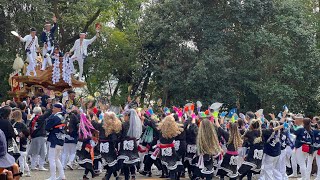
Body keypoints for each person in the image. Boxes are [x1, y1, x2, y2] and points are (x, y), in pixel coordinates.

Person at [156, 115, 183, 180]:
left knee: (167, 165)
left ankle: (169, 175)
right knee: (174, 166)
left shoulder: (160, 129)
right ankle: (173, 177)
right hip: (171, 149)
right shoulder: (175, 130)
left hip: (163, 150)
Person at [118, 109, 142, 180]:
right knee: (132, 160)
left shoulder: (124, 124)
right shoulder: (136, 124)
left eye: (125, 115)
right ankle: (133, 175)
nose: (124, 117)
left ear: (128, 116)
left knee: (125, 161)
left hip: (125, 144)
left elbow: (120, 134)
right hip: (133, 144)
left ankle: (126, 177)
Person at [45, 103, 66, 180]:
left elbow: (47, 127)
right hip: (60, 138)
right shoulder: (63, 117)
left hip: (54, 139)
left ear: (59, 109)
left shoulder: (55, 117)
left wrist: (50, 128)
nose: (52, 109)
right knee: (56, 158)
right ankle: (62, 175)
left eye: (54, 108)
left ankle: (53, 176)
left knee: (51, 159)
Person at [76, 113, 99, 180]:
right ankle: (92, 173)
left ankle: (86, 175)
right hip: (85, 145)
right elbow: (85, 137)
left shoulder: (80, 125)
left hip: (83, 145)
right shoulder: (84, 126)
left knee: (88, 160)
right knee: (87, 159)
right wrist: (91, 137)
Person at [101, 112, 122, 180]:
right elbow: (114, 140)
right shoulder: (113, 128)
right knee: (113, 163)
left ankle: (115, 177)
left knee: (110, 163)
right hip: (110, 148)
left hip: (103, 147)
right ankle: (107, 177)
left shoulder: (103, 126)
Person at [11, 110, 30, 177]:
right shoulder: (22, 123)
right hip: (23, 142)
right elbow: (27, 132)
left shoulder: (14, 123)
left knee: (21, 159)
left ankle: (21, 172)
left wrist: (20, 135)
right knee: (23, 159)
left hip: (18, 143)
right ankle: (27, 172)